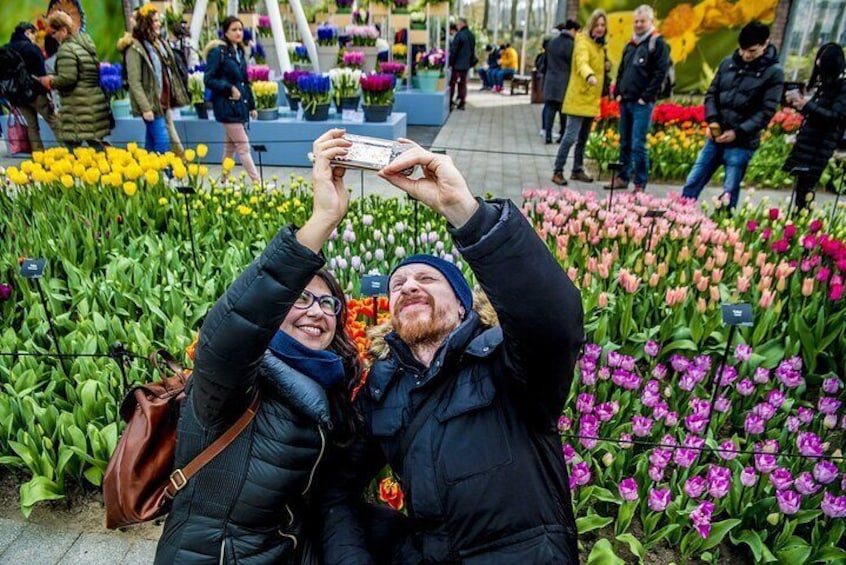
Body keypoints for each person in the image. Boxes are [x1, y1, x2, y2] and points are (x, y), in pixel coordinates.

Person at [320, 140, 585, 563]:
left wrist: (464, 210)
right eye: (398, 285)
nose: (408, 286)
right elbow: (337, 487)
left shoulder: (507, 362)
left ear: (463, 305)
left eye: (427, 278)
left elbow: (554, 320)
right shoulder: (383, 392)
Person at [154, 129, 362, 564]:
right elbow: (233, 327)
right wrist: (321, 221)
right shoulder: (231, 382)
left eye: (328, 303)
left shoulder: (329, 387)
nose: (316, 311)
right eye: (299, 298)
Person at [680, 22, 784, 209]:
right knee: (692, 181)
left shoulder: (773, 73)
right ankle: (680, 216)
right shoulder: (728, 63)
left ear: (765, 44)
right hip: (715, 137)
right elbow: (712, 94)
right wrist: (712, 121)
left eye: (752, 51)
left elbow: (766, 112)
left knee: (729, 190)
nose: (746, 55)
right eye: (743, 50)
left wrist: (737, 132)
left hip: (741, 143)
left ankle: (723, 228)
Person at [606, 5, 670, 192]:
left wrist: (646, 97)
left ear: (651, 22)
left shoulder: (657, 44)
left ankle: (640, 182)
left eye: (642, 21)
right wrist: (617, 91)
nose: (639, 25)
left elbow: (660, 74)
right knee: (625, 142)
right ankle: (622, 177)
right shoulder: (631, 43)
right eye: (636, 21)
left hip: (641, 103)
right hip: (625, 100)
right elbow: (622, 69)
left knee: (637, 144)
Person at [782, 43, 846, 211]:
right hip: (808, 141)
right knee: (801, 188)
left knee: (807, 190)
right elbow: (816, 114)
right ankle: (798, 223)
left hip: (820, 145)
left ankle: (803, 227)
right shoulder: (823, 86)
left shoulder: (841, 88)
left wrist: (808, 104)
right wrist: (799, 105)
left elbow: (834, 117)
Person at [120, 5, 189, 154]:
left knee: (151, 143)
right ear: (146, 23)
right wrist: (145, 108)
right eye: (155, 21)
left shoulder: (158, 44)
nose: (158, 24)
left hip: (163, 101)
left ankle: (146, 172)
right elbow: (134, 81)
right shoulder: (135, 48)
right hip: (152, 104)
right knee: (163, 142)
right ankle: (167, 174)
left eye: (159, 20)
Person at [552, 11, 607, 186]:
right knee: (570, 137)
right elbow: (581, 62)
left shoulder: (599, 46)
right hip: (579, 97)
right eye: (597, 25)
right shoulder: (583, 42)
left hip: (592, 99)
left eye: (602, 25)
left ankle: (577, 169)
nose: (600, 28)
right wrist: (589, 75)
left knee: (584, 139)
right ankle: (558, 170)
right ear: (591, 25)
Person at [43, 11, 111, 149]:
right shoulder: (85, 44)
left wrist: (50, 81)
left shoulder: (66, 49)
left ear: (63, 30)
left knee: (73, 149)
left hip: (77, 107)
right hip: (92, 103)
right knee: (95, 144)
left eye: (54, 32)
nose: (53, 36)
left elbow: (68, 78)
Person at [204, 16, 260, 183]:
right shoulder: (218, 52)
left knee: (230, 147)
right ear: (226, 32)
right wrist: (228, 88)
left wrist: (251, 105)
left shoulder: (239, 52)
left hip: (239, 107)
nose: (238, 33)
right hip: (226, 106)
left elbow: (244, 82)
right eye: (234, 30)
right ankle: (257, 182)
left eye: (240, 29)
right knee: (243, 146)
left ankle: (223, 180)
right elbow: (209, 79)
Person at [5, 22, 55, 151]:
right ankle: (70, 151)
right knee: (54, 122)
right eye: (34, 34)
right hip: (36, 94)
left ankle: (39, 156)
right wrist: (47, 94)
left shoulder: (5, 49)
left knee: (32, 126)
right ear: (27, 32)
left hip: (17, 97)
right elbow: (41, 73)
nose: (35, 38)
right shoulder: (31, 49)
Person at [542, 20, 580, 145]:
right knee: (563, 110)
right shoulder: (571, 45)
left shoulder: (552, 42)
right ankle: (562, 135)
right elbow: (573, 64)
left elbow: (545, 63)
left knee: (550, 109)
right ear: (573, 30)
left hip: (550, 79)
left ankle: (547, 135)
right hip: (564, 81)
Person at [448, 17, 476, 110]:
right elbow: (472, 51)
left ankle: (450, 101)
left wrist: (450, 63)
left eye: (458, 24)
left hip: (457, 65)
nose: (457, 26)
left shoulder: (459, 35)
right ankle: (462, 102)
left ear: (462, 24)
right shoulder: (471, 35)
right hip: (466, 65)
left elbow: (454, 50)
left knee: (452, 83)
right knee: (463, 83)